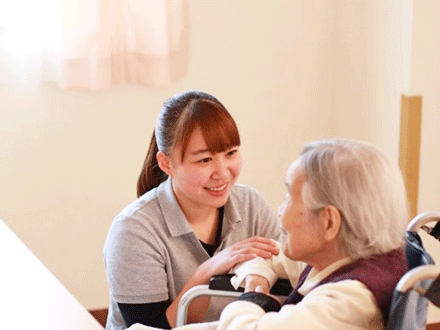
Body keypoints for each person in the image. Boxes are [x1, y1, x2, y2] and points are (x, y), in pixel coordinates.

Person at [104, 91, 280, 330]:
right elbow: (150, 328)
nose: (222, 172)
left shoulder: (251, 205)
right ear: (167, 164)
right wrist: (206, 272)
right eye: (204, 160)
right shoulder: (133, 230)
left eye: (230, 153)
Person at [215, 138, 410, 330]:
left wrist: (253, 301)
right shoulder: (337, 256)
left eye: (289, 198)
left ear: (329, 222)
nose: (280, 211)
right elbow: (261, 253)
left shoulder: (348, 301)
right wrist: (256, 277)